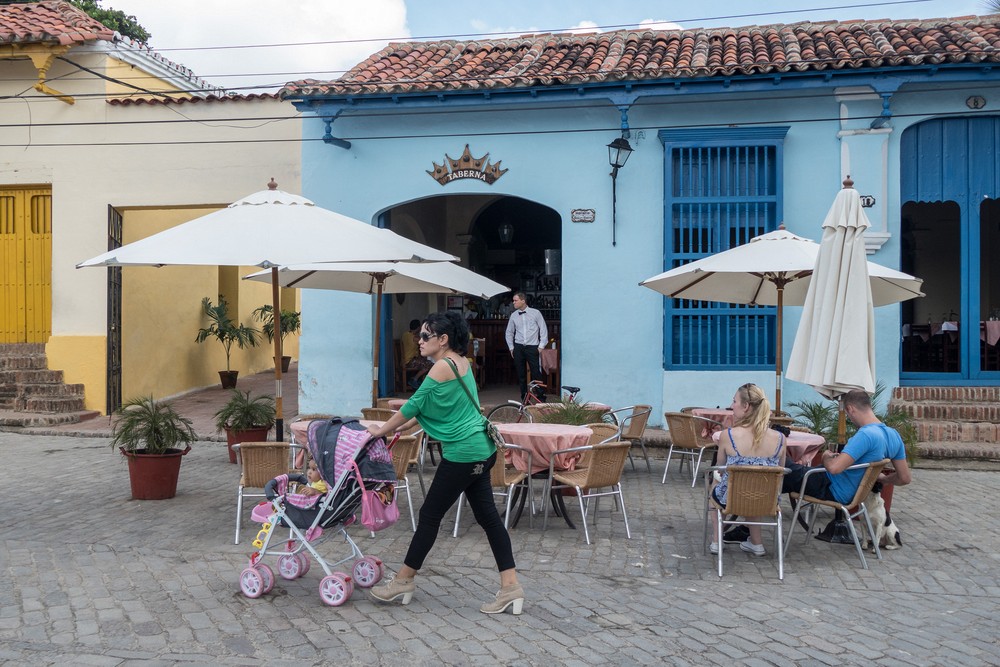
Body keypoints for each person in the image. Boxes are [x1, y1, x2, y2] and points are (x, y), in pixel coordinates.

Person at [366, 311, 524, 615]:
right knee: (488, 518)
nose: (420, 341)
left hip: (463, 453)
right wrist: (396, 429)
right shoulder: (461, 364)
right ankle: (511, 586)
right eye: (419, 336)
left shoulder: (440, 367)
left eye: (426, 336)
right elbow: (427, 410)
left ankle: (403, 581)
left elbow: (413, 405)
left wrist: (380, 431)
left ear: (443, 339)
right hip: (482, 449)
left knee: (429, 516)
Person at [781, 389, 912, 502]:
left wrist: (826, 456)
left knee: (778, 462)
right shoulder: (893, 435)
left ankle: (767, 508)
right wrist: (884, 479)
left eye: (848, 414)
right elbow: (904, 478)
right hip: (849, 492)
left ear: (850, 409)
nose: (849, 417)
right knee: (784, 472)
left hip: (830, 487)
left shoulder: (866, 435)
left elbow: (834, 468)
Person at [709, 383, 786, 557]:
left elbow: (720, 467)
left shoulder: (728, 435)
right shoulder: (780, 438)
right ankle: (757, 543)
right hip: (767, 500)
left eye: (734, 401)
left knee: (715, 479)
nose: (731, 405)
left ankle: (716, 539)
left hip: (732, 498)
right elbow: (780, 470)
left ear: (746, 406)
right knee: (757, 484)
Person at [504, 292, 548, 402]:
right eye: (513, 300)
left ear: (523, 301)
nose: (513, 302)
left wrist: (541, 346)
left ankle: (541, 397)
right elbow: (509, 332)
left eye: (515, 300)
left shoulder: (535, 313)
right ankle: (524, 398)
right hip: (518, 347)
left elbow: (543, 329)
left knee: (536, 372)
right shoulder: (514, 315)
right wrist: (511, 348)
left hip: (533, 346)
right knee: (521, 373)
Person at [401, 318, 432, 389]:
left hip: (405, 360)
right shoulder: (414, 337)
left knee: (425, 361)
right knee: (429, 364)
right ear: (418, 328)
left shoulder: (405, 334)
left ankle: (419, 381)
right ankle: (414, 379)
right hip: (409, 361)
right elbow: (423, 341)